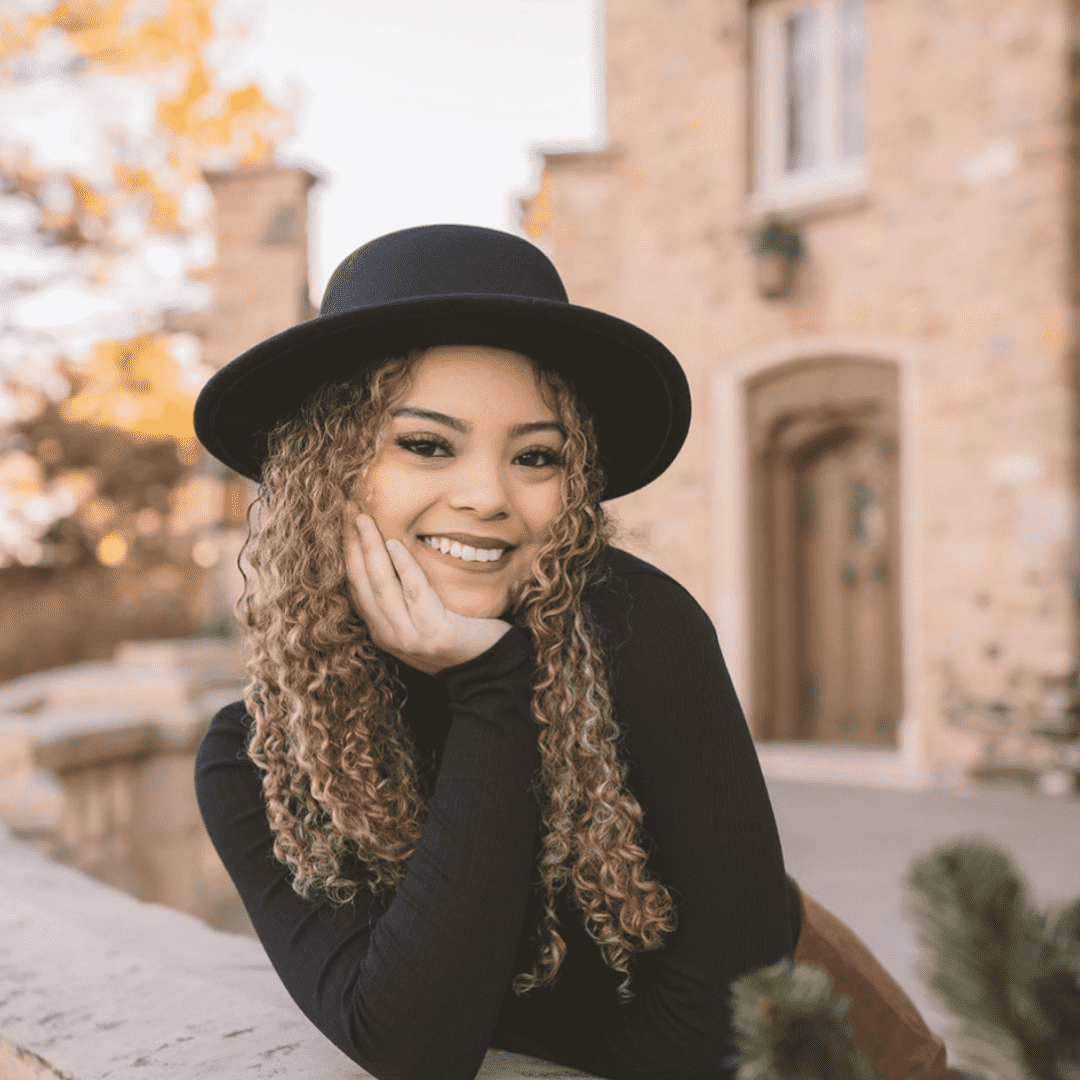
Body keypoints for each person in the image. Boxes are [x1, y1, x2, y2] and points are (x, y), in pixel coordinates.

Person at [193, 224, 954, 1080]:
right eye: (426, 443)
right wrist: (492, 690)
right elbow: (410, 1046)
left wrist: (489, 681)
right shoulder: (256, 764)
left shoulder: (639, 625)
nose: (488, 496)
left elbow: (729, 1020)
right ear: (323, 471)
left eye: (536, 455)